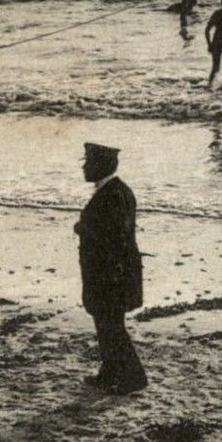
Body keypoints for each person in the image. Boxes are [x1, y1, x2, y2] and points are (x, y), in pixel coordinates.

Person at [75, 143, 146, 394]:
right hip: (111, 272)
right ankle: (110, 371)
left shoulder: (112, 195)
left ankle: (133, 377)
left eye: (88, 162)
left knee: (111, 326)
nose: (84, 167)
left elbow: (114, 237)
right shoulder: (115, 191)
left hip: (110, 274)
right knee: (106, 324)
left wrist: (82, 228)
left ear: (101, 166)